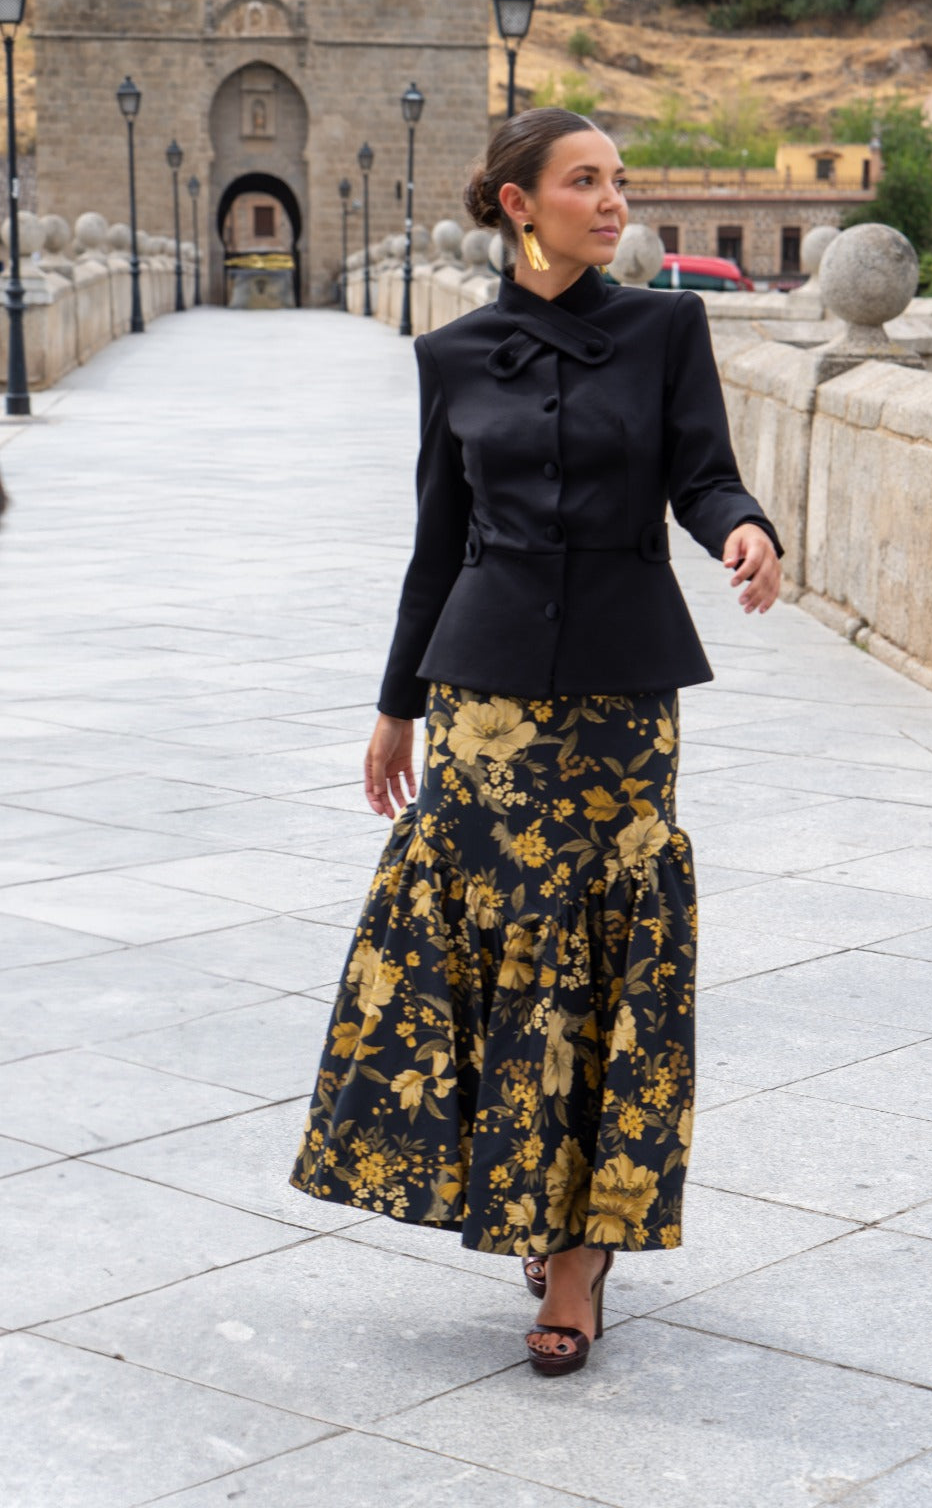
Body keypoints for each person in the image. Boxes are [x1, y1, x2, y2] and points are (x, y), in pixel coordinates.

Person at [289, 107, 782, 1377]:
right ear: (519, 204)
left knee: (602, 959)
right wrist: (396, 704)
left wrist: (743, 527)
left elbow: (702, 474)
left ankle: (579, 1254)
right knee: (500, 955)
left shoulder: (667, 329)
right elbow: (436, 543)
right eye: (584, 181)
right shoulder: (451, 355)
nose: (613, 201)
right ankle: (521, 1204)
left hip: (621, 699)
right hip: (484, 702)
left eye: (617, 180)